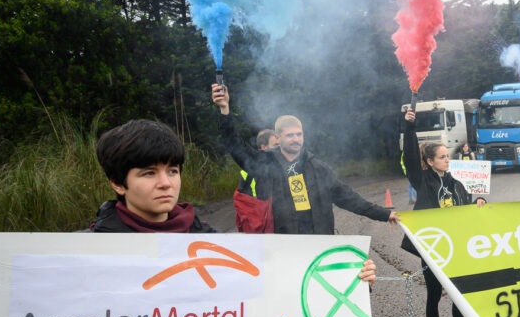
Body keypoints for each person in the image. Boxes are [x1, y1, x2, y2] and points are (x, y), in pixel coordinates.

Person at [90, 117, 377, 283]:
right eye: (149, 173)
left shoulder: (208, 238)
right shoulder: (90, 251)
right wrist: (224, 114)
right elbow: (236, 149)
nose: (165, 183)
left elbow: (263, 279)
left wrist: (353, 276)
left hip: (311, 246)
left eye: (173, 171)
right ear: (117, 183)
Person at [212, 84, 400, 235]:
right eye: (290, 135)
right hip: (280, 249)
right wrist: (225, 111)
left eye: (299, 135)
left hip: (318, 247)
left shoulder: (319, 168)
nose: (296, 139)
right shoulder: (264, 164)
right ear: (277, 138)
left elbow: (349, 198)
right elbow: (235, 146)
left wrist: (384, 214)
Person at [403, 107, 486, 317]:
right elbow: (408, 154)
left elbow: (465, 205)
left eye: (446, 156)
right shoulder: (422, 180)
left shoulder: (455, 181)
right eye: (441, 157)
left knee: (459, 294)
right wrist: (409, 128)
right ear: (429, 161)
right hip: (433, 249)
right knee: (434, 295)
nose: (446, 160)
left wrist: (479, 201)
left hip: (456, 248)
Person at [238, 128, 277, 198]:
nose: (279, 148)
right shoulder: (252, 170)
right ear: (263, 147)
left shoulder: (282, 163)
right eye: (276, 145)